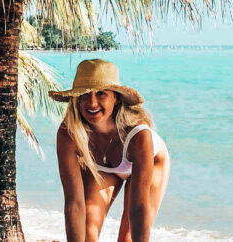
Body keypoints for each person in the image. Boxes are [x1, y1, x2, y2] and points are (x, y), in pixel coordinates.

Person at [51, 59, 170, 242]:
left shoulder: (138, 136)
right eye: (84, 95)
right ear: (76, 99)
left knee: (127, 237)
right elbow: (74, 204)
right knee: (87, 234)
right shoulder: (69, 133)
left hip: (152, 163)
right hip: (103, 169)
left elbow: (138, 209)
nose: (91, 102)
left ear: (116, 98)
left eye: (101, 94)